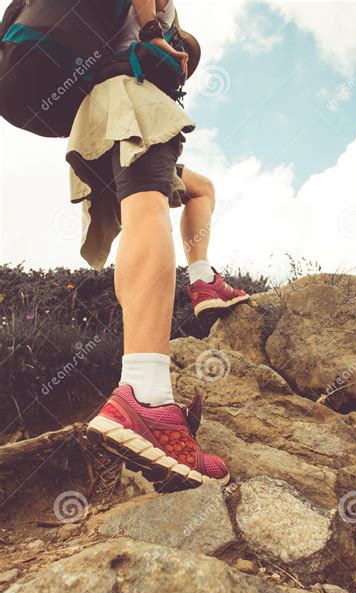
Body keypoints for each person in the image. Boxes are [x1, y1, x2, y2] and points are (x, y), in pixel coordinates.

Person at [66, 0, 249, 489]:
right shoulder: (154, 25)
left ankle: (204, 280)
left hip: (103, 117)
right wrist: (152, 31)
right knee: (148, 215)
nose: (184, 61)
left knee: (198, 190)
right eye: (185, 54)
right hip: (130, 105)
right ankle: (145, 396)